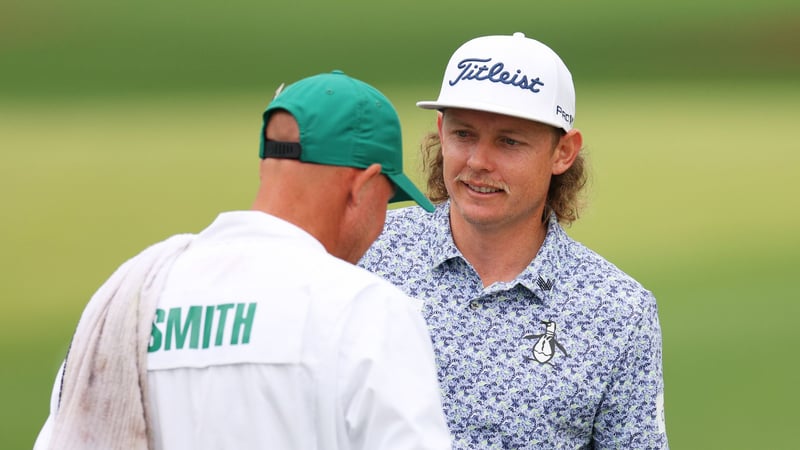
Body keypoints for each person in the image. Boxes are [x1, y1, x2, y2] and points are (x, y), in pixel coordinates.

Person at [34, 71, 452, 450]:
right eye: (385, 201)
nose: (382, 226)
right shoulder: (366, 308)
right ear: (360, 188)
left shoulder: (129, 295)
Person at [359, 33, 668, 449]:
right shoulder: (366, 253)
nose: (478, 162)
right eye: (464, 134)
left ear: (563, 152)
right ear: (440, 131)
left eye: (509, 141)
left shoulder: (618, 311)